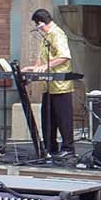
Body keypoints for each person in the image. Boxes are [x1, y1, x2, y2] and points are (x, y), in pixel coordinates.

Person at [23, 9, 75, 158]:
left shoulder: (57, 34)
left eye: (37, 25)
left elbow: (64, 56)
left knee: (63, 119)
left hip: (60, 85)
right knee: (48, 118)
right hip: (49, 86)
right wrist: (33, 68)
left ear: (40, 23)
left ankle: (68, 149)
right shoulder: (47, 36)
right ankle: (50, 147)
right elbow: (42, 59)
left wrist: (44, 67)